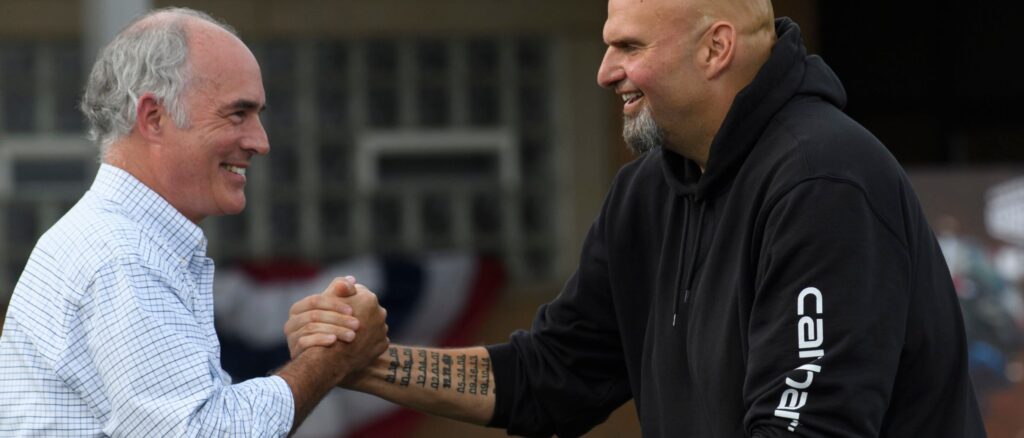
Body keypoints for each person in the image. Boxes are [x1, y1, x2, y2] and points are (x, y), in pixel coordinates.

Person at [286, 0, 987, 436]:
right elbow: (552, 378)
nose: (603, 71)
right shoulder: (647, 193)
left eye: (629, 47)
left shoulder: (823, 180)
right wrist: (361, 363)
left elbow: (808, 426)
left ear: (714, 49)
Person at [0, 8, 388, 436]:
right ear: (153, 118)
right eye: (237, 114)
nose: (261, 142)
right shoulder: (125, 257)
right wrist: (330, 359)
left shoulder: (116, 242)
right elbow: (206, 431)